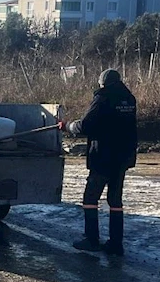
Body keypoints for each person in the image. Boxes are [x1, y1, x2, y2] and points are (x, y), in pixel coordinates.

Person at [58, 69, 137, 255]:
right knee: (115, 200)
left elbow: (85, 125)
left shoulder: (103, 98)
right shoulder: (129, 100)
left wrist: (68, 126)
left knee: (90, 198)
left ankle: (91, 239)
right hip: (123, 158)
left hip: (103, 157)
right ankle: (116, 244)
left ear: (102, 83)